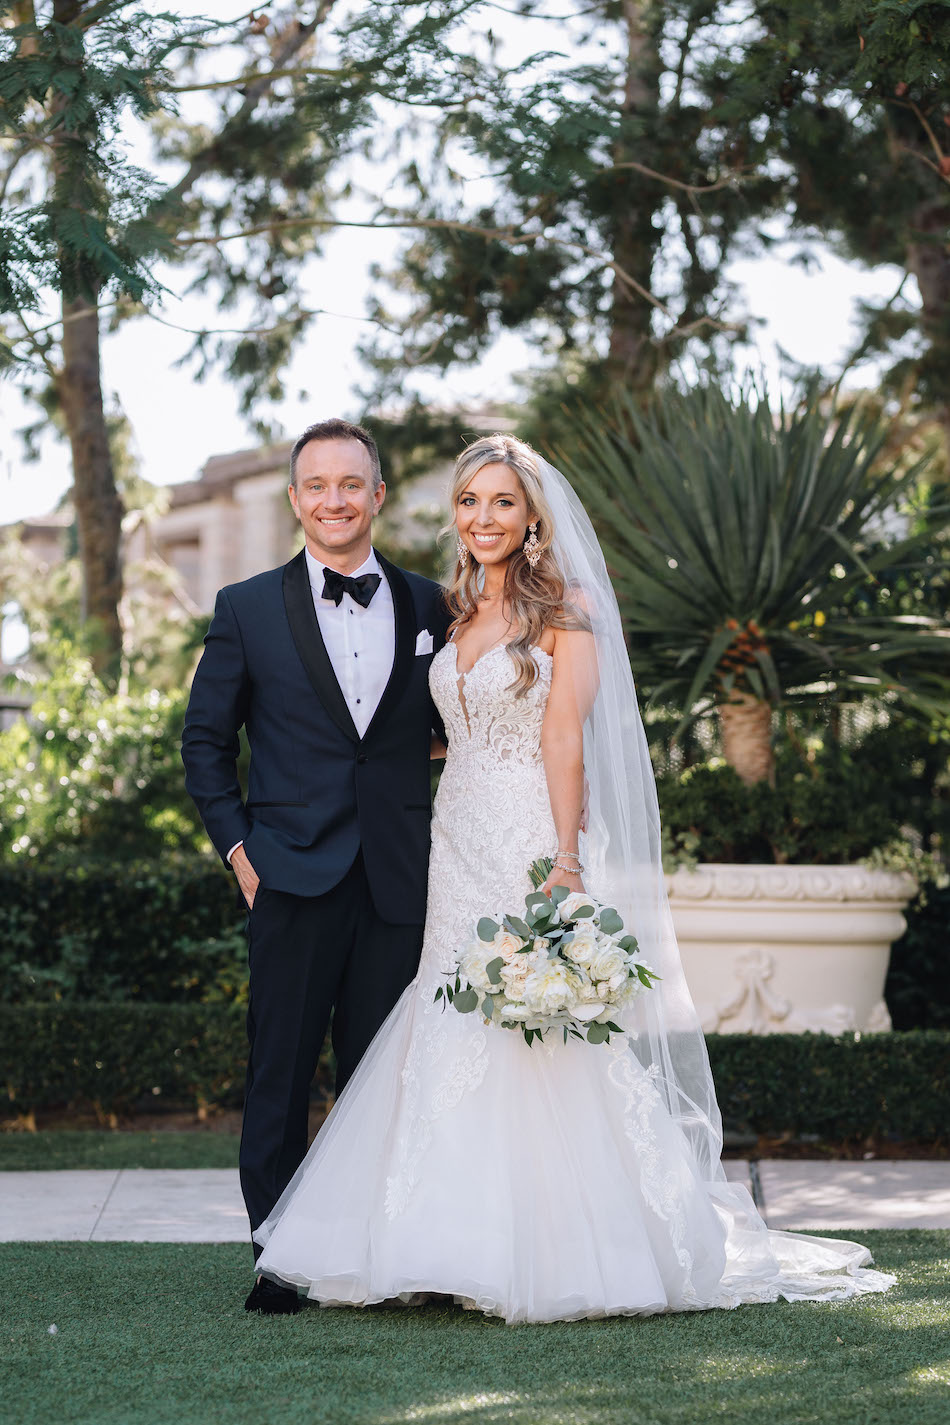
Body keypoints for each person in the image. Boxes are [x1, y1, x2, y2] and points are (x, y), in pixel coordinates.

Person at [251, 432, 895, 1323]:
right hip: (454, 832)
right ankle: (430, 1243)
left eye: (503, 502)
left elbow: (564, 735)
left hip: (526, 832)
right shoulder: (453, 607)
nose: (484, 518)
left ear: (533, 517)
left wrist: (564, 856)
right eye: (470, 502)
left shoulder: (570, 608)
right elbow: (431, 727)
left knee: (534, 1024)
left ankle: (556, 1242)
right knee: (448, 1016)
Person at [181, 418, 450, 1315]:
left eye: (352, 483)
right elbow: (205, 744)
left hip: (400, 881)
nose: (335, 499)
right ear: (298, 499)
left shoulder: (430, 605)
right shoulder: (247, 607)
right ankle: (279, 1259)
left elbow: (458, 728)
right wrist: (239, 849)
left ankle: (376, 1249)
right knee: (281, 1071)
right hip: (288, 874)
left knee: (383, 1076)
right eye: (318, 485)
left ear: (377, 494)